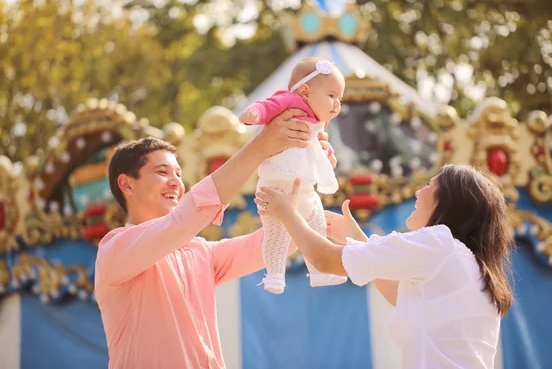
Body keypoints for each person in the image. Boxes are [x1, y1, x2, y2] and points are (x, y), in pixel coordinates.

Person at [94, 109, 334, 369]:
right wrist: (261, 147)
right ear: (127, 185)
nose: (177, 182)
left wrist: (306, 165)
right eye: (163, 172)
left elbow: (272, 242)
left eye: (178, 173)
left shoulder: (199, 251)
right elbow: (187, 217)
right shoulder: (114, 249)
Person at [255, 164, 514, 368]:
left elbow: (323, 259)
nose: (417, 191)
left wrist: (286, 211)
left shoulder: (439, 243)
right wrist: (355, 238)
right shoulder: (466, 263)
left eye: (428, 185)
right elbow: (396, 293)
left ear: (447, 203)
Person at [238, 57, 346, 294]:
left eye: (339, 99)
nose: (337, 104)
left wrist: (329, 157)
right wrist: (253, 114)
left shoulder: (319, 124)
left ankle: (320, 272)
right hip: (276, 186)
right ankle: (274, 274)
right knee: (277, 233)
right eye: (331, 96)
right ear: (305, 91)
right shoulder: (289, 102)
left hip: (306, 189)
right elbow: (266, 106)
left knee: (317, 228)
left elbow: (320, 148)